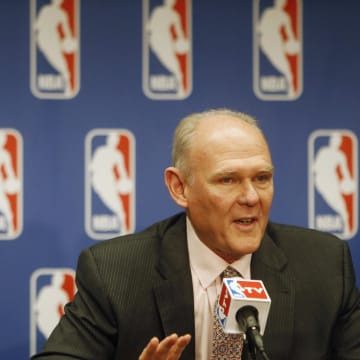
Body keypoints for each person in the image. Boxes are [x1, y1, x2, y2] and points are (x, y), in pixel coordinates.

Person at [32, 109, 360, 359]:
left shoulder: (325, 266)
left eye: (261, 178)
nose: (251, 197)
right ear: (179, 187)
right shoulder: (116, 273)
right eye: (228, 180)